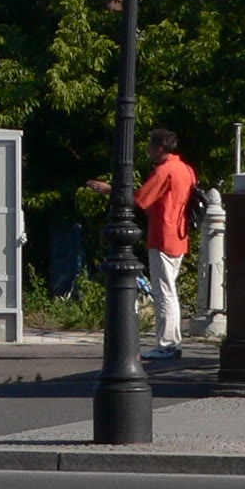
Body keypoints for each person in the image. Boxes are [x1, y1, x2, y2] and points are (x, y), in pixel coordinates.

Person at [90, 127, 197, 361]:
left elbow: (139, 199)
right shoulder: (186, 169)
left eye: (151, 145)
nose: (148, 150)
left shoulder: (164, 170)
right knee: (170, 290)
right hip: (179, 234)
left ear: (160, 147)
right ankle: (172, 342)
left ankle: (167, 344)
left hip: (163, 234)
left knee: (163, 292)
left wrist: (109, 190)